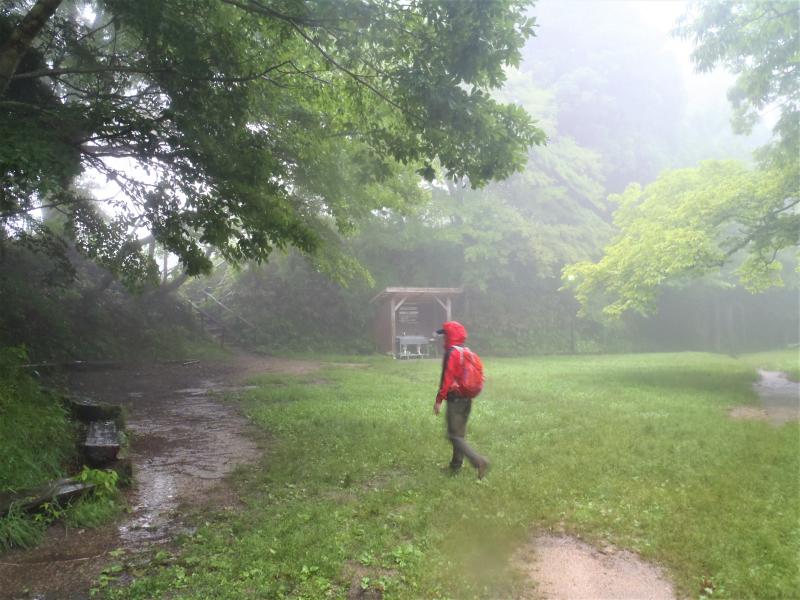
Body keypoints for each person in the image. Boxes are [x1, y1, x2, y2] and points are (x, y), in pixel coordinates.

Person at [433, 321, 489, 479]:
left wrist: (439, 400)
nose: (443, 338)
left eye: (444, 335)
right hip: (467, 398)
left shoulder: (452, 353)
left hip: (455, 400)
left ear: (449, 336)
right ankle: (455, 466)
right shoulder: (467, 352)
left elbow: (447, 379)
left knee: (453, 436)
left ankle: (479, 461)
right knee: (459, 434)